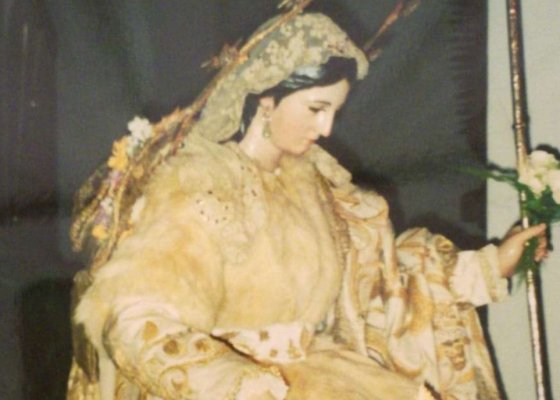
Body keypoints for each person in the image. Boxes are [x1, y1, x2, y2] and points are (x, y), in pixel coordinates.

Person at [66, 12, 548, 400]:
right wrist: (233, 382)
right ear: (266, 99)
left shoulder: (319, 188)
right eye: (316, 109)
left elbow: (381, 288)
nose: (327, 129)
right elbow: (136, 318)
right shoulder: (199, 186)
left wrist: (490, 265)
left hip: (325, 376)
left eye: (334, 112)